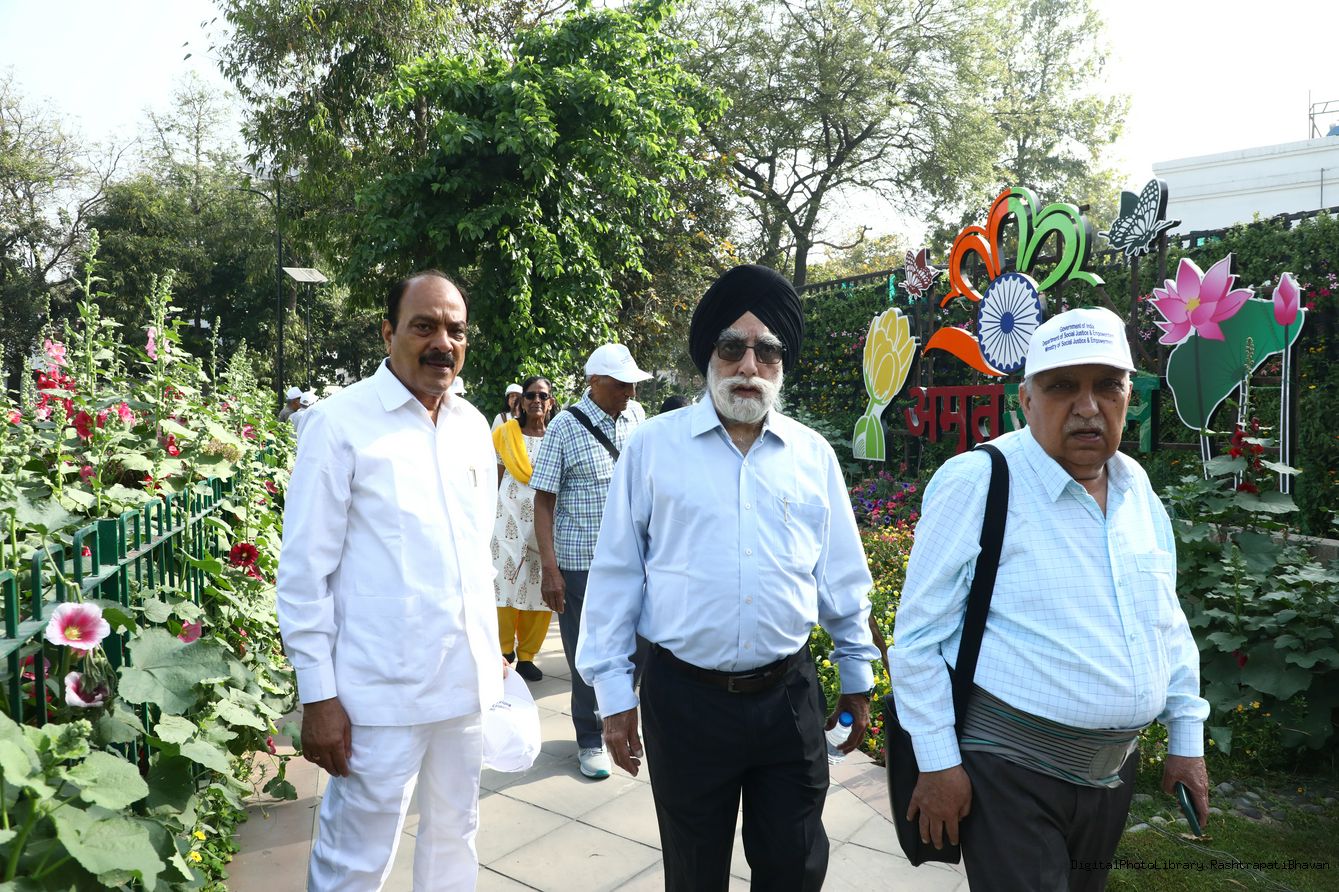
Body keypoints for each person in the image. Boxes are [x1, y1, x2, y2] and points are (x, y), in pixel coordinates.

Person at [576, 264, 879, 891]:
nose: (748, 365)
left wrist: (857, 674)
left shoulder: (812, 456)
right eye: (731, 346)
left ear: (782, 363)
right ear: (708, 356)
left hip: (787, 697)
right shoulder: (653, 448)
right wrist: (614, 697)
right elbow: (616, 576)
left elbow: (840, 576)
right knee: (694, 873)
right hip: (685, 701)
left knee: (796, 866)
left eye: (767, 351)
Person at [890, 306, 1210, 891]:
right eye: (1063, 386)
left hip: (1111, 777)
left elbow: (1165, 619)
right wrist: (938, 763)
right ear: (1025, 400)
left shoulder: (1136, 488)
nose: (1088, 407)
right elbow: (916, 640)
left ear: (1129, 396)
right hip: (1007, 772)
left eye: (1108, 386)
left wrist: (1186, 741)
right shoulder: (979, 481)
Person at [276, 270, 506, 891]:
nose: (442, 343)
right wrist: (318, 695)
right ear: (388, 333)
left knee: (455, 839)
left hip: (463, 691)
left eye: (456, 330)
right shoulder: (339, 425)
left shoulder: (472, 427)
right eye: (424, 326)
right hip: (377, 699)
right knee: (354, 860)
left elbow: (473, 557)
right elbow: (303, 574)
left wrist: (491, 654)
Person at [530, 343, 651, 780]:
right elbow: (543, 502)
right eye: (621, 385)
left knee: (640, 649)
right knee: (589, 653)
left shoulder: (637, 418)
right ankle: (589, 738)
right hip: (582, 564)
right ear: (594, 382)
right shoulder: (564, 427)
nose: (630, 393)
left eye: (633, 385)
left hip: (635, 561)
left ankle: (621, 719)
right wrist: (550, 570)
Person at [492, 375, 559, 683]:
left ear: (551, 402)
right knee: (503, 585)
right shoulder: (506, 433)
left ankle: (528, 655)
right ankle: (504, 651)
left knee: (538, 589)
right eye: (530, 395)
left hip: (544, 525)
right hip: (506, 520)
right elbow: (495, 476)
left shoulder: (557, 436)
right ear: (521, 400)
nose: (536, 400)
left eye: (543, 396)